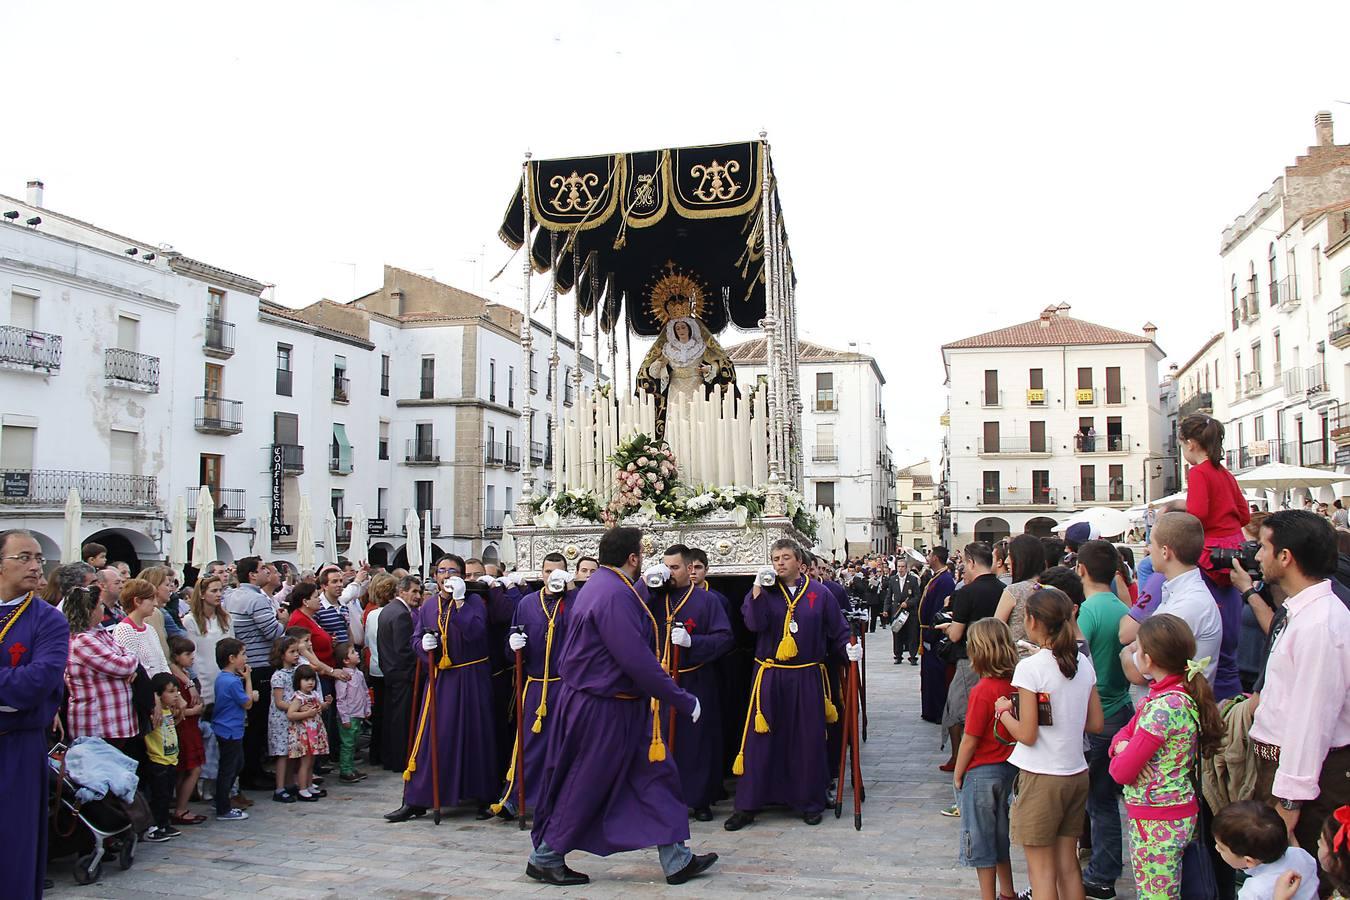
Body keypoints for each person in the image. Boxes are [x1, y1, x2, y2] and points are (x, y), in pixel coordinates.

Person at [525, 527, 716, 887]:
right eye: (642, 554)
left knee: (657, 777)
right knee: (587, 781)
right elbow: (635, 658)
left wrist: (645, 588)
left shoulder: (603, 586)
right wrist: (680, 697)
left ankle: (677, 859)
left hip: (619, 706)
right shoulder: (612, 594)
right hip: (603, 709)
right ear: (633, 558)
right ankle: (546, 856)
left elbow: (625, 611)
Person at [1243, 510, 1350, 890]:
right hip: (1286, 771)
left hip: (1307, 779)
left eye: (1264, 547)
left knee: (1301, 885)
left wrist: (1289, 803)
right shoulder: (1304, 613)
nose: (1256, 556)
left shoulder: (1321, 623)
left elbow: (1310, 720)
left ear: (1286, 557)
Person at [725, 538, 856, 831]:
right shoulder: (765, 591)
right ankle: (748, 804)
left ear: (800, 562)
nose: (780, 563)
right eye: (775, 558)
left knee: (806, 738)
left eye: (785, 557)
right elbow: (754, 625)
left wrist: (849, 650)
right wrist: (757, 590)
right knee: (760, 740)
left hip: (806, 675)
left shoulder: (820, 594)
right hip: (770, 675)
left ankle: (809, 801)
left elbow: (838, 630)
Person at [994, 587, 1105, 900]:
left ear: (1031, 621)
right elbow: (1096, 723)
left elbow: (1027, 733)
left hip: (1042, 774)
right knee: (1068, 863)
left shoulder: (1031, 668)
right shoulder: (1082, 664)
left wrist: (1003, 714)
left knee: (1041, 871)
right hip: (1075, 771)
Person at [1108, 614, 1223, 899]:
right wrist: (1123, 747)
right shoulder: (1176, 693)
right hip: (1176, 812)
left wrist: (1124, 751)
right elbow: (1122, 736)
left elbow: (1120, 772)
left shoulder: (1162, 708)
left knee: (1156, 894)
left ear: (1148, 659)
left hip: (1157, 821)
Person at [385, 555, 497, 823]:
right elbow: (415, 639)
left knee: (475, 735)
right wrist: (423, 646)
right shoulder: (428, 606)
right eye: (441, 571)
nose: (446, 575)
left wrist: (459, 602)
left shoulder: (474, 602)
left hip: (471, 677)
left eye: (453, 571)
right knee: (432, 737)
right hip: (442, 679)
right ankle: (417, 798)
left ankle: (481, 796)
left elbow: (475, 632)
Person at [0, 530, 70, 900]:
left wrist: (17, 692)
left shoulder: (48, 620)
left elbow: (39, 683)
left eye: (39, 558)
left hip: (17, 747)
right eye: (24, 557)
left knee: (13, 844)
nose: (34, 566)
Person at [649, 545, 733, 821]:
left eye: (674, 567)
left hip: (695, 676)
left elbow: (724, 638)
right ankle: (660, 798)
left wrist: (692, 642)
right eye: (666, 566)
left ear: (689, 569)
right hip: (660, 680)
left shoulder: (707, 601)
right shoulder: (653, 599)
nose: (669, 573)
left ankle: (700, 799)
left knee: (697, 741)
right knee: (658, 738)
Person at [493, 553, 575, 820]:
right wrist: (513, 644)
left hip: (566, 686)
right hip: (536, 686)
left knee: (564, 746)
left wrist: (572, 593)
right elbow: (509, 646)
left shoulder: (575, 603)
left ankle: (560, 801)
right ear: (541, 574)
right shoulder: (528, 603)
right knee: (529, 745)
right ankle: (518, 797)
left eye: (559, 572)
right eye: (548, 572)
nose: (553, 577)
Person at [1075, 540, 1134, 898]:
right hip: (1121, 703)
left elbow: (1076, 659)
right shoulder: (1122, 606)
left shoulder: (1089, 612)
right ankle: (1103, 860)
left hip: (1100, 710)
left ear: (1080, 569)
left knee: (1100, 800)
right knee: (1106, 798)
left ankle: (1103, 872)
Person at [952, 618, 1021, 900]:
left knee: (980, 840)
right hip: (1009, 768)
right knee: (1000, 836)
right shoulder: (1015, 684)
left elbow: (970, 738)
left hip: (981, 771)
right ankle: (1008, 891)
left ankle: (987, 895)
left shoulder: (982, 689)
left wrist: (958, 772)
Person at [1120, 513, 1222, 687]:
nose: (1148, 548)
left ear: (1165, 552)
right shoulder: (1179, 595)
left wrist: (1126, 652)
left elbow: (1139, 672)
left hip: (1175, 709)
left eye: (1152, 543)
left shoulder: (1188, 604)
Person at [937, 542, 1005, 777]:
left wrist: (947, 628)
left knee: (960, 710)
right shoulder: (1004, 589)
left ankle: (963, 760)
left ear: (973, 563)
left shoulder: (967, 592)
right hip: (999, 660)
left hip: (971, 659)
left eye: (965, 564)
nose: (963, 569)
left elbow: (956, 634)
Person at [223, 557, 286, 788]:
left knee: (253, 723)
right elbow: (272, 633)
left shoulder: (231, 596)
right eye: (262, 569)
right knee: (258, 723)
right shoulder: (256, 599)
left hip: (246, 664)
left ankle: (252, 769)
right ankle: (252, 772)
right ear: (251, 574)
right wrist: (283, 620)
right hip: (259, 665)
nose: (267, 573)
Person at [1178, 415, 1250, 588]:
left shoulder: (1198, 473)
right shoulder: (1225, 473)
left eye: (1182, 446)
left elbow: (1197, 516)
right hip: (1235, 546)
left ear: (1190, 444)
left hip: (1211, 550)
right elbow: (1245, 516)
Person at [64, 583, 139, 747]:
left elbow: (131, 654)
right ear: (88, 611)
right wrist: (129, 666)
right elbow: (122, 666)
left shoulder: (100, 632)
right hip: (98, 724)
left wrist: (130, 662)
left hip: (115, 722)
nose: (103, 609)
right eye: (99, 605)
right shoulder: (82, 640)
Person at [1213, 801, 1319, 900]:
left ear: (1249, 861)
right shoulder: (1300, 854)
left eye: (1221, 848)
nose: (1216, 848)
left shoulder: (1253, 892)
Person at [378, 575, 422, 772]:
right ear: (402, 591)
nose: (418, 596)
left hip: (390, 671)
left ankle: (391, 757)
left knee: (393, 718)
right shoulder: (401, 614)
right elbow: (404, 649)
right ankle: (399, 759)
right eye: (414, 591)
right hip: (403, 675)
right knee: (401, 720)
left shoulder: (388, 610)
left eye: (419, 592)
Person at [212, 637, 256, 822]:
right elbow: (247, 703)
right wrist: (249, 681)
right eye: (242, 654)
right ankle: (223, 806)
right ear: (231, 658)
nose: (245, 658)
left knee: (236, 764)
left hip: (229, 728)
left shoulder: (223, 678)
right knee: (229, 768)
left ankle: (222, 799)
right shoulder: (231, 681)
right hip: (229, 729)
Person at [166, 636, 206, 826]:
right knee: (192, 768)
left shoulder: (185, 674)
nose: (192, 658)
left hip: (191, 727)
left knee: (185, 769)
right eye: (187, 654)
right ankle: (181, 808)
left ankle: (180, 806)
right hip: (184, 727)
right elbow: (175, 710)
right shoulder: (175, 680)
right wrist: (194, 711)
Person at [363, 573, 397, 770]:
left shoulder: (372, 614)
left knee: (379, 713)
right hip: (389, 668)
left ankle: (375, 753)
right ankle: (386, 752)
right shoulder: (392, 613)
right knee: (389, 713)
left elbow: (367, 642)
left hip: (375, 666)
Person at [919, 546, 957, 724]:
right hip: (927, 631)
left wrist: (931, 634)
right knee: (929, 675)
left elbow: (939, 610)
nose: (928, 557)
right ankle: (929, 709)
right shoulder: (937, 577)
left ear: (936, 558)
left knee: (936, 675)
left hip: (934, 635)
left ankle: (937, 711)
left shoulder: (945, 580)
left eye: (930, 554)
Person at [995, 533, 1048, 657]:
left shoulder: (1014, 591)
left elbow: (995, 631)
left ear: (1021, 559)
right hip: (1047, 658)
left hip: (1017, 660)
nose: (1007, 562)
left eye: (1010, 556)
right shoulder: (1052, 590)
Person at [268, 635, 303, 803]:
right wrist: (297, 707)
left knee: (291, 753)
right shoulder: (278, 676)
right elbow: (279, 701)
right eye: (292, 651)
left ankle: (289, 783)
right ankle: (279, 787)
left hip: (293, 718)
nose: (296, 654)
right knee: (282, 754)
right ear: (282, 654)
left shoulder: (296, 672)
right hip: (281, 720)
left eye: (297, 651)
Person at [287, 665, 330, 801]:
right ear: (298, 681)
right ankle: (302, 788)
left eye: (312, 679)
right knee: (305, 763)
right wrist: (306, 713)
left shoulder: (314, 695)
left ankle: (310, 784)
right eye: (306, 680)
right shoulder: (298, 698)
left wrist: (326, 704)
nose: (310, 682)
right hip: (304, 733)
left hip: (315, 732)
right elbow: (291, 714)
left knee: (311, 761)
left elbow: (320, 706)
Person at [113, 578, 171, 676]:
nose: (155, 603)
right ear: (137, 601)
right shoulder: (124, 630)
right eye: (151, 599)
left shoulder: (150, 629)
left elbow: (162, 662)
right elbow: (134, 668)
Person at [334, 641, 370, 784]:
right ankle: (345, 770)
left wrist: (367, 708)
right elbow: (340, 699)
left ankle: (351, 767)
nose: (357, 654)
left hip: (358, 714)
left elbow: (365, 692)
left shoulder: (359, 674)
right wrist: (344, 717)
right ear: (346, 660)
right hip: (348, 716)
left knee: (354, 743)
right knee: (347, 744)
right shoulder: (342, 678)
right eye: (353, 653)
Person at [888, 559, 921, 665]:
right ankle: (898, 655)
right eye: (899, 567)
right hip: (897, 611)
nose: (900, 569)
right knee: (897, 633)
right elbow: (889, 596)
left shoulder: (912, 580)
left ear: (906, 568)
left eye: (902, 567)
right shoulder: (893, 579)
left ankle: (912, 655)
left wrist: (909, 603)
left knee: (912, 634)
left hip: (910, 612)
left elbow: (917, 596)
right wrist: (885, 609)